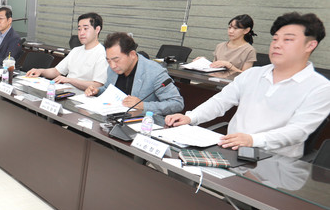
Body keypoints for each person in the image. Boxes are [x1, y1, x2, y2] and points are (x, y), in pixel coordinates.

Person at [166, 12, 330, 158]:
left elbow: (298, 131)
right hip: (231, 150)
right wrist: (191, 117)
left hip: (275, 161)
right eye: (275, 39)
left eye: (288, 40)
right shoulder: (253, 74)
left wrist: (252, 140)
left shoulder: (320, 88)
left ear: (310, 45)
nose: (277, 44)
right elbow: (220, 101)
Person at [85, 32, 183, 116]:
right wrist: (97, 91)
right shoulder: (112, 68)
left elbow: (177, 103)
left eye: (116, 60)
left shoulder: (155, 72)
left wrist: (143, 105)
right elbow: (109, 89)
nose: (112, 66)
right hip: (114, 117)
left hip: (142, 122)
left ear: (132, 54)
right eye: (108, 60)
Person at [25, 12, 107, 90]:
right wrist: (40, 71)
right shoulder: (76, 50)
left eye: (85, 29)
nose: (81, 33)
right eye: (79, 29)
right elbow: (56, 71)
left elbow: (98, 85)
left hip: (83, 95)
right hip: (66, 90)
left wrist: (70, 80)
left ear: (97, 29)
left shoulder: (102, 53)